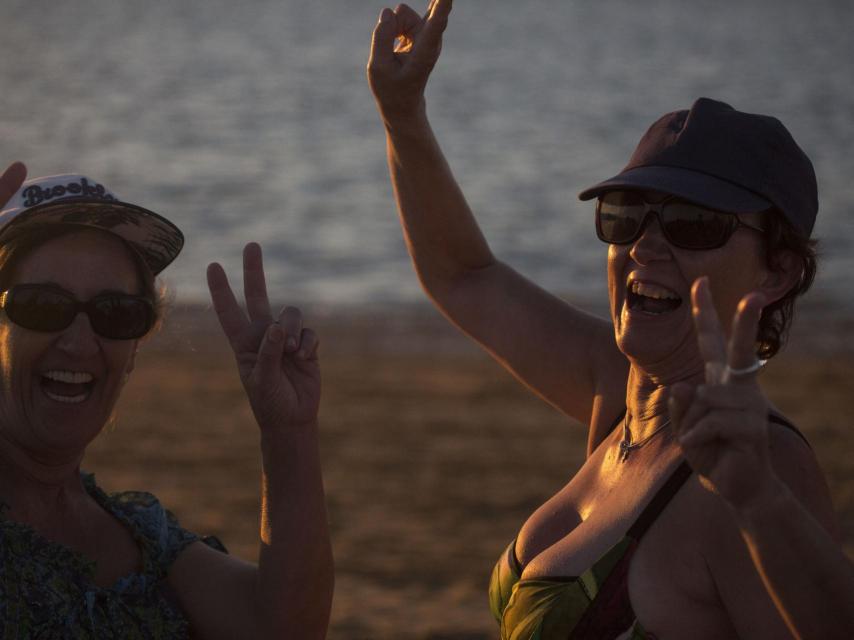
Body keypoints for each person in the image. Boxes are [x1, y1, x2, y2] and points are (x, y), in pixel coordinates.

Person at [367, 2, 854, 638]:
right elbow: (465, 278)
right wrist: (402, 116)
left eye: (693, 223)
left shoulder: (759, 467)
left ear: (777, 270)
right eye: (626, 215)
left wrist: (759, 500)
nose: (645, 247)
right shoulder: (620, 388)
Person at [0, 162, 333, 639]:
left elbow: (284, 627)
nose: (78, 342)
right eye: (42, 305)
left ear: (135, 348)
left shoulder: (140, 539)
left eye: (115, 314)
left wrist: (289, 432)